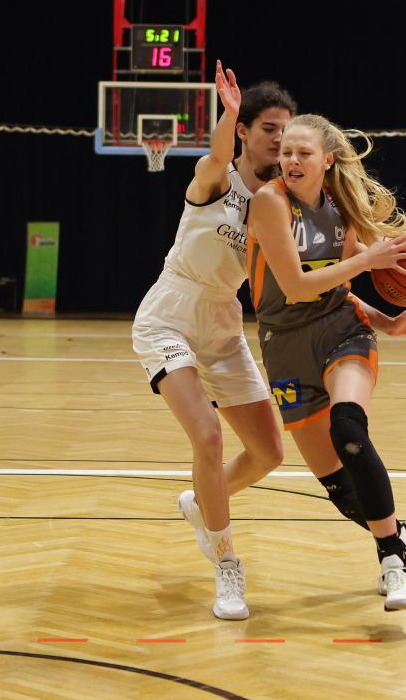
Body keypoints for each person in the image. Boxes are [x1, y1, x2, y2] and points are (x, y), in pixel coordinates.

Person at [245, 113, 406, 611]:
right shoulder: (270, 202)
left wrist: (388, 322)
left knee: (349, 429)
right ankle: (400, 537)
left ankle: (395, 564)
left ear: (327, 160)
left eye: (303, 152)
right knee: (337, 485)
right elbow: (296, 287)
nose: (291, 160)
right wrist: (364, 261)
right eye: (285, 152)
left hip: (341, 330)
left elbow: (341, 290)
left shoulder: (341, 207)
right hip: (284, 344)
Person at [131, 62, 295, 620]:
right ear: (245, 130)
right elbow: (219, 156)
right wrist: (227, 114)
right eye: (269, 128)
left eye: (286, 130)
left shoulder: (280, 202)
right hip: (170, 313)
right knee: (207, 436)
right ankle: (227, 566)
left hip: (224, 320)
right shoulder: (215, 178)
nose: (279, 139)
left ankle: (202, 502)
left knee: (269, 452)